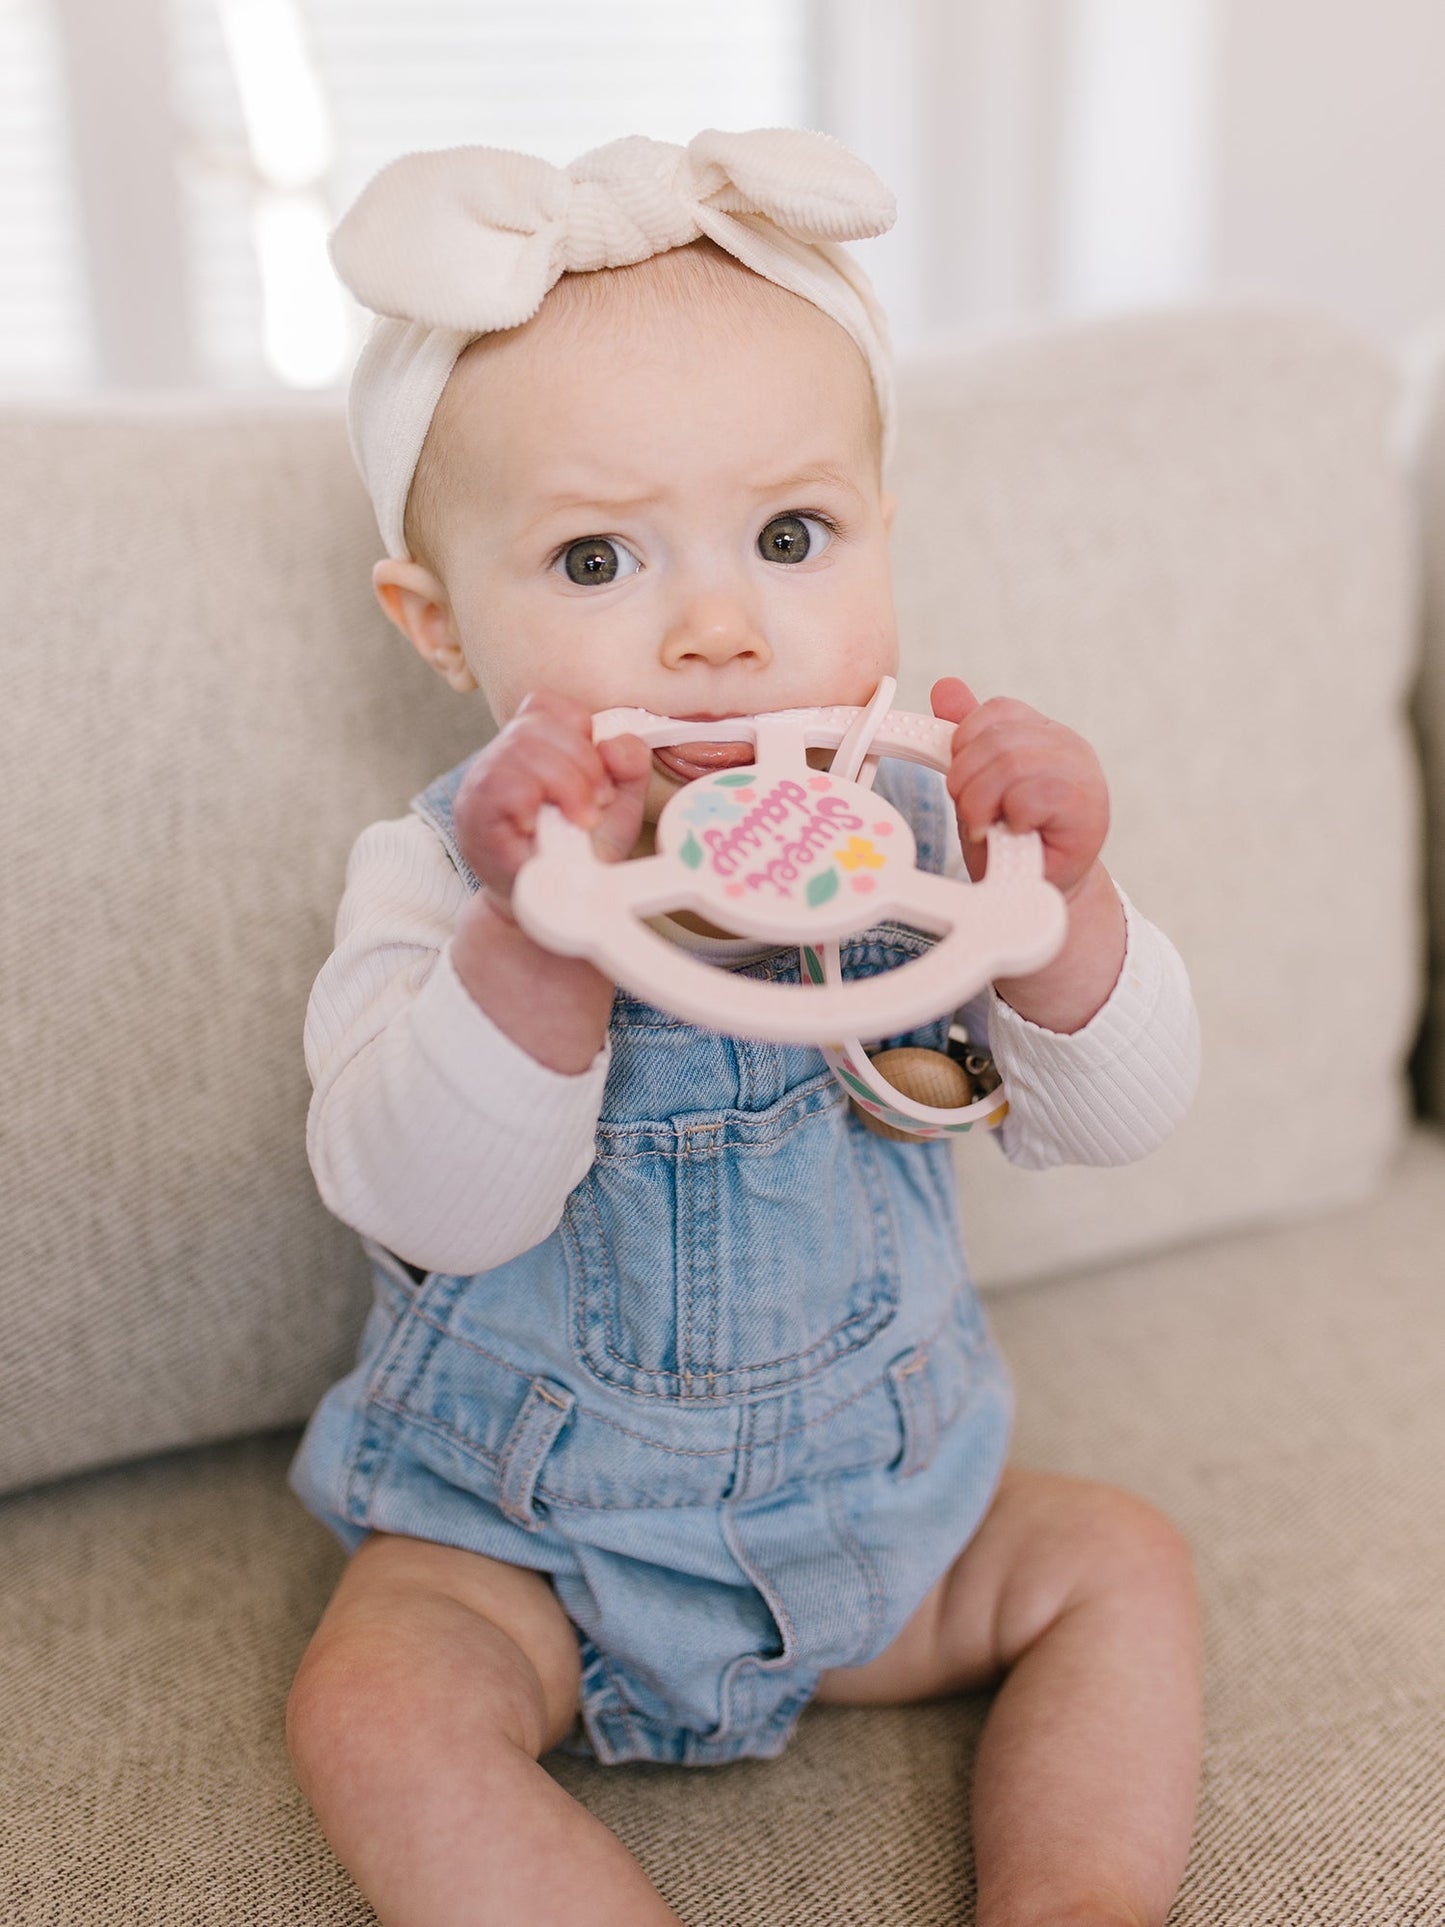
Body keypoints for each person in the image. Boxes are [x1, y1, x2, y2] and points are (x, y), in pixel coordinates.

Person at [284, 127, 1204, 1927]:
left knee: (1121, 1563)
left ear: (882, 533)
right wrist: (532, 945)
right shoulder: (425, 878)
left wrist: (1063, 918)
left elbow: (1117, 1115)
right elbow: (427, 1204)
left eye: (790, 537)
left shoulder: (942, 850)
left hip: (889, 1514)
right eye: (597, 561)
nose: (718, 631)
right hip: (520, 1548)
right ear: (439, 625)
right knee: (371, 1711)